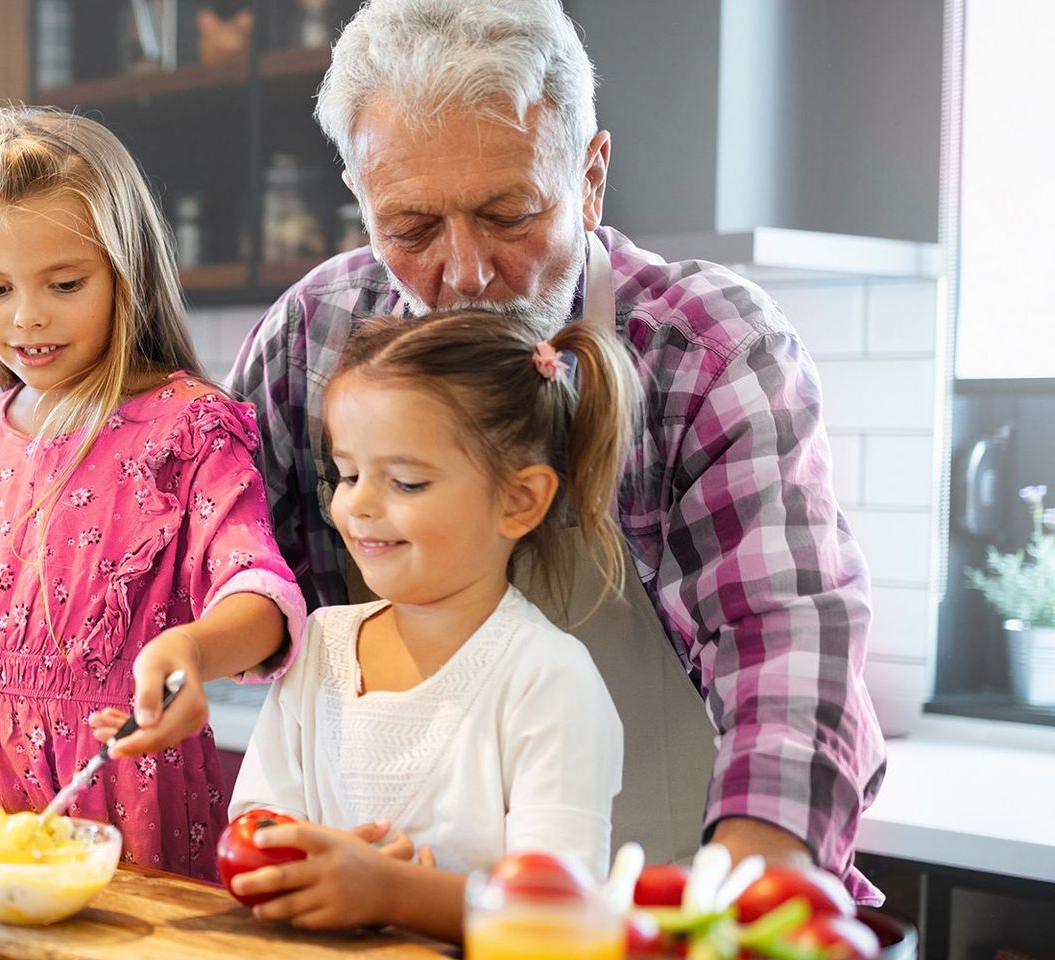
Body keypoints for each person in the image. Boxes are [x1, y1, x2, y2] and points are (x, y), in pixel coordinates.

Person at [224, 0, 887, 899]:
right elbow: (237, 566)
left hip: (671, 907)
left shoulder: (707, 349)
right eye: (411, 228)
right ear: (358, 192)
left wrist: (745, 902)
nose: (463, 273)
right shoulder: (315, 334)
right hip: (389, 918)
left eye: (508, 214)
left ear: (591, 176)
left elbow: (786, 639)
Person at [0, 105, 304, 878]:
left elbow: (261, 594)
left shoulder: (188, 429)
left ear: (125, 270)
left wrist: (191, 652)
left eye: (64, 283)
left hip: (133, 831)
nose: (27, 317)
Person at [221, 309, 628, 939]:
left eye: (406, 482)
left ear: (520, 500)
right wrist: (297, 858)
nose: (356, 505)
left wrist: (394, 893)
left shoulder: (549, 681)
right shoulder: (321, 645)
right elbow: (258, 822)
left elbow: (558, 916)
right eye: (347, 474)